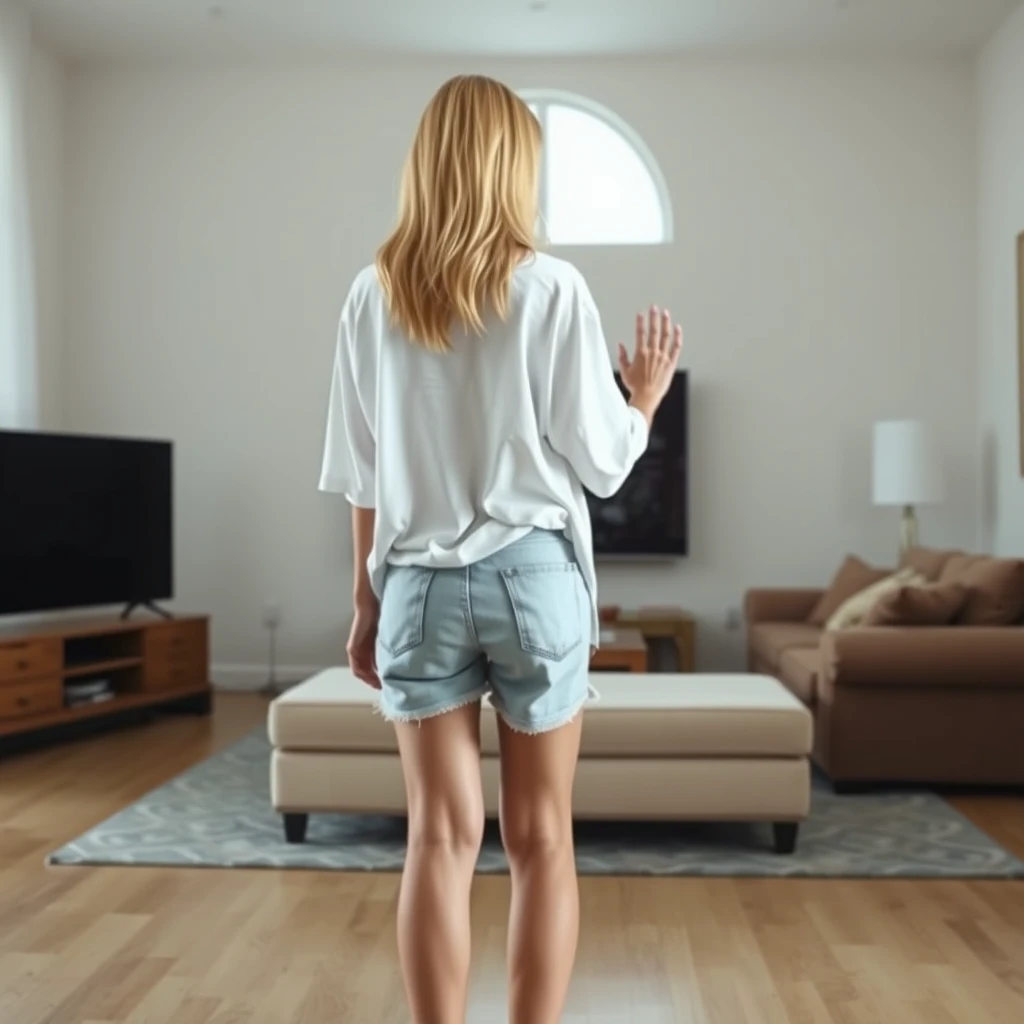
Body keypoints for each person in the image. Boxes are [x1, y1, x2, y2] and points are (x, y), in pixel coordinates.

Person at [319, 74, 682, 1024]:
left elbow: (363, 476)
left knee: (437, 839)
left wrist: (364, 605)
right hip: (534, 582)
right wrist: (642, 399)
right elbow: (604, 466)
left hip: (415, 588)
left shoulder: (371, 293)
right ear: (514, 168)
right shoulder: (553, 287)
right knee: (541, 839)